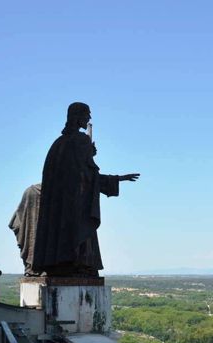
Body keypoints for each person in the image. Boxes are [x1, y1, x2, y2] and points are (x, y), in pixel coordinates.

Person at [32, 102, 140, 277]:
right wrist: (117, 178)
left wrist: (88, 154)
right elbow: (87, 176)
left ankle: (60, 262)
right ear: (78, 117)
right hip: (76, 206)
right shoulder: (80, 141)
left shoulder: (58, 144)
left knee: (64, 236)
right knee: (81, 236)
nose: (89, 118)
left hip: (59, 208)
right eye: (87, 114)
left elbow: (71, 173)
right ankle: (78, 264)